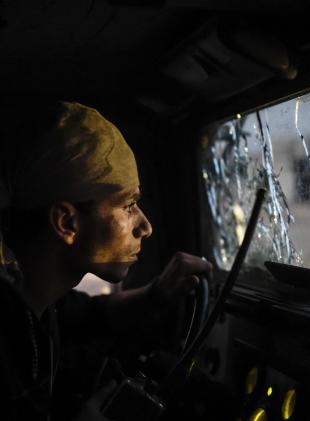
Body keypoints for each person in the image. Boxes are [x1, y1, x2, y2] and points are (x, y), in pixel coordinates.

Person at [0, 101, 212, 420]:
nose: (146, 226)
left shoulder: (39, 303)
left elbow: (88, 315)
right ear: (67, 223)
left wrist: (156, 294)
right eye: (128, 205)